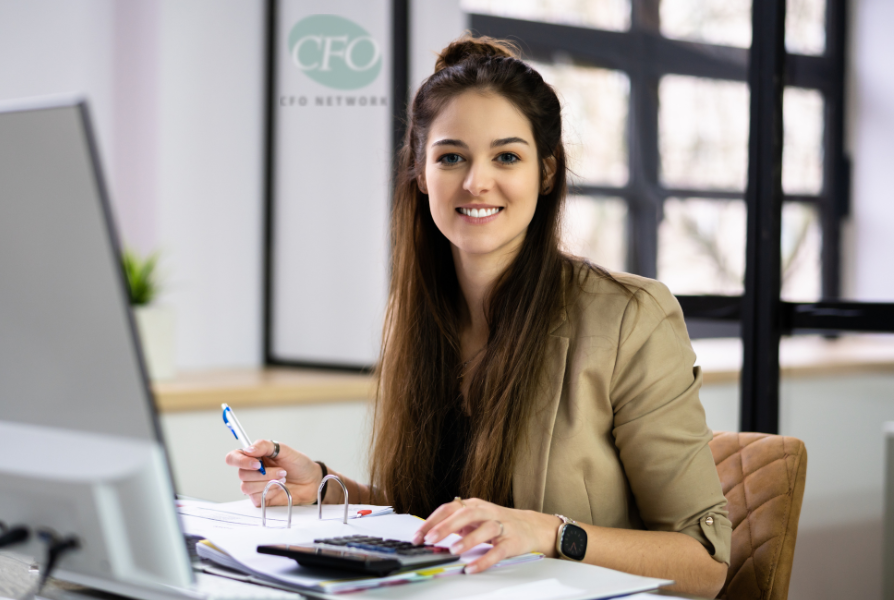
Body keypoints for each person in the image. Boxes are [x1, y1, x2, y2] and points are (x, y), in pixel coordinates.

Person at [225, 35, 730, 597]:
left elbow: (705, 566)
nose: (475, 182)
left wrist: (549, 532)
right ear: (420, 172)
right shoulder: (415, 315)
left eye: (506, 156)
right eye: (451, 157)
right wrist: (325, 486)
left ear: (545, 172)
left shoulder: (630, 317)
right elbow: (428, 519)